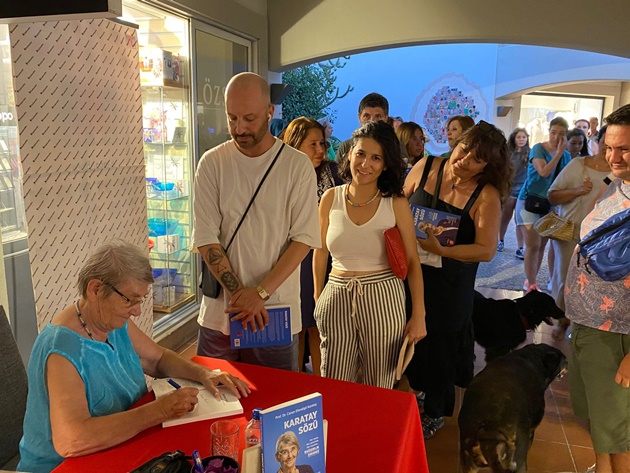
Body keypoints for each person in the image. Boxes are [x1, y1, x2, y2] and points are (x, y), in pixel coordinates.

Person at [17, 241, 251, 473]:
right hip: (64, 466)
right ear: (96, 289)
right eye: (130, 300)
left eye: (140, 299)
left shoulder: (111, 321)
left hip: (122, 445)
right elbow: (72, 441)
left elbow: (157, 359)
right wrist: (159, 411)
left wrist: (204, 373)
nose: (137, 311)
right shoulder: (62, 349)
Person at [192, 72, 320, 371]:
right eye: (232, 118)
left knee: (274, 403)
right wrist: (241, 297)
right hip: (219, 313)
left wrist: (260, 294)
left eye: (249, 118)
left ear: (269, 112)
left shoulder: (296, 165)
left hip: (274, 313)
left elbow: (303, 240)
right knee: (214, 403)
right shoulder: (212, 163)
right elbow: (206, 238)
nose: (240, 128)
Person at [404, 120, 510, 439]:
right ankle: (416, 391)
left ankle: (435, 411)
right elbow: (397, 204)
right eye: (464, 149)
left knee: (440, 347)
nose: (463, 160)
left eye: (476, 158)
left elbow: (486, 249)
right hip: (409, 274)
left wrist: (443, 250)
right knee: (408, 338)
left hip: (450, 285)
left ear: (488, 166)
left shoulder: (486, 195)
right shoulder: (427, 166)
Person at [314, 121, 426, 389]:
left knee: (380, 382)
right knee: (334, 379)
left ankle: (376, 431)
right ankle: (339, 430)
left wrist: (419, 314)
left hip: (383, 295)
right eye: (361, 153)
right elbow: (319, 253)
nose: (365, 164)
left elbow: (412, 260)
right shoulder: (330, 197)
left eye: (376, 158)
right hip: (336, 293)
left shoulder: (395, 203)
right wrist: (319, 298)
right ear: (350, 153)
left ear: (386, 164)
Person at [565, 104, 630, 473]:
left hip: (619, 336)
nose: (612, 156)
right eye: (609, 146)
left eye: (624, 148)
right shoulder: (617, 187)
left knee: (620, 437)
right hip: (590, 326)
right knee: (600, 425)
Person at [282, 117, 343, 376]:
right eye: (313, 144)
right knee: (295, 325)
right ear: (295, 145)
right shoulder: (282, 175)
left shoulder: (333, 171)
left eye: (323, 143)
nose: (321, 150)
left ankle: (321, 380)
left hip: (326, 257)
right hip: (293, 257)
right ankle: (295, 380)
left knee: (320, 324)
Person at [547, 125, 610, 338]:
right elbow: (552, 195)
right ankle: (563, 320)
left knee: (596, 283)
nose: (610, 149)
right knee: (566, 278)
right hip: (570, 232)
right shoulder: (578, 165)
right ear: (597, 141)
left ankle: (585, 326)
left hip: (604, 239)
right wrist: (577, 191)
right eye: (606, 142)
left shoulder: (621, 173)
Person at [515, 116, 571, 292]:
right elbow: (544, 172)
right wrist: (559, 153)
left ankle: (532, 281)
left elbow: (564, 180)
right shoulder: (539, 149)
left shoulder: (567, 155)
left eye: (561, 134)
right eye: (553, 132)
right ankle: (530, 282)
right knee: (532, 244)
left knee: (541, 246)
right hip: (529, 200)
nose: (556, 137)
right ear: (549, 132)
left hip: (550, 204)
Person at [335, 92, 389, 167]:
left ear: (386, 118)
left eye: (378, 116)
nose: (372, 121)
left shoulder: (396, 148)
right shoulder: (346, 147)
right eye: (367, 116)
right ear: (359, 117)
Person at [498, 128, 529, 257]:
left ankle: (521, 247)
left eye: (524, 137)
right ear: (514, 138)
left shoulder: (530, 153)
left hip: (523, 189)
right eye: (519, 137)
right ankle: (500, 240)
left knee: (520, 219)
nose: (521, 140)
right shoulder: (508, 153)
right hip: (510, 187)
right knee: (505, 216)